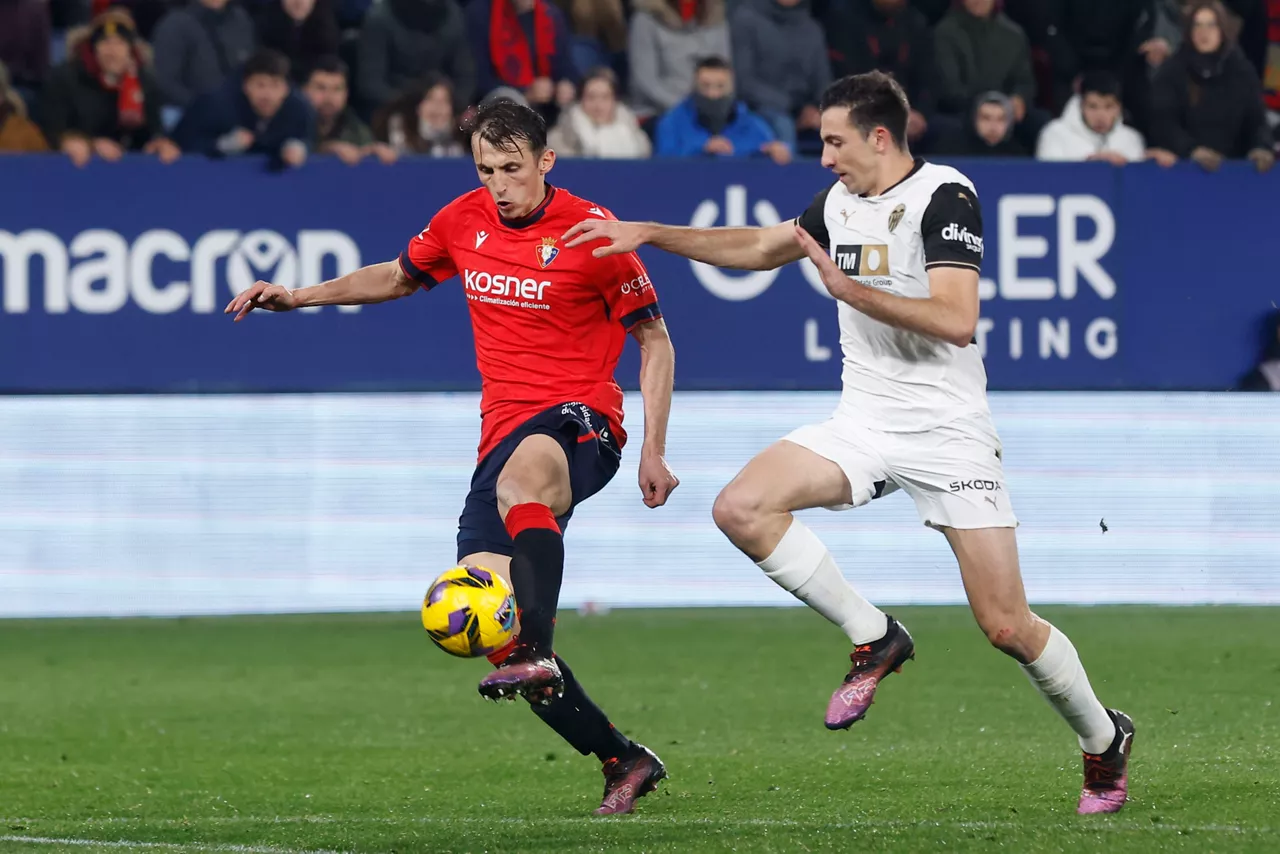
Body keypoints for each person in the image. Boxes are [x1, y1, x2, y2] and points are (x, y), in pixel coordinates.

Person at [564, 70, 1136, 816]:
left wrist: (848, 289)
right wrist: (649, 234)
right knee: (741, 507)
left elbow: (957, 319)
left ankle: (1103, 740)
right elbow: (762, 245)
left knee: (1005, 624)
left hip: (949, 433)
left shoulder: (946, 196)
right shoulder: (837, 203)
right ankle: (875, 637)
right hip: (864, 421)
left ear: (878, 135)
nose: (824, 156)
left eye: (835, 141)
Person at [224, 99, 676, 816]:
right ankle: (622, 759)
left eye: (513, 168)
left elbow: (655, 341)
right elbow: (399, 275)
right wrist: (300, 297)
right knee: (487, 627)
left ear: (545, 162)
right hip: (500, 437)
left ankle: (539, 638)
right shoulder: (461, 219)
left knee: (528, 484)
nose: (500, 184)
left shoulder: (595, 232)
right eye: (486, 169)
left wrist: (653, 448)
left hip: (582, 421)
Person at [1149, 0, 1275, 173]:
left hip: (1234, 171)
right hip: (1183, 169)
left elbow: (1256, 120)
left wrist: (1260, 147)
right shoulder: (1172, 71)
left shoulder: (1241, 71)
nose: (1203, 32)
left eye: (1211, 25)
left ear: (1222, 30)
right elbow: (1164, 123)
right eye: (1197, 25)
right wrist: (1191, 150)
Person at [40, 9, 179, 167]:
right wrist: (88, 143)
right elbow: (51, 128)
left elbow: (154, 131)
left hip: (129, 171)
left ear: (130, 50)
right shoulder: (66, 78)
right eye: (105, 42)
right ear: (94, 48)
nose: (112, 51)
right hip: (76, 167)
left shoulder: (145, 82)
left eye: (120, 43)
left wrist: (159, 144)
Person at [174, 49, 313, 170]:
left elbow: (308, 137)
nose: (267, 95)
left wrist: (298, 147)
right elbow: (182, 142)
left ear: (286, 89)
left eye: (275, 86)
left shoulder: (300, 109)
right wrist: (221, 145)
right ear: (245, 86)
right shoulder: (216, 104)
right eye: (260, 85)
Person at [728, 0, 831, 153]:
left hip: (803, 109)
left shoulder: (812, 28)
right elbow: (744, 81)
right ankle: (789, 176)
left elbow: (823, 80)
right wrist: (791, 107)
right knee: (783, 124)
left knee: (834, 125)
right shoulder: (746, 19)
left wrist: (816, 109)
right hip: (759, 107)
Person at [654, 55, 790, 164]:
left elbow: (772, 150)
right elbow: (664, 168)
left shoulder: (754, 125)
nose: (713, 94)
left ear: (732, 88)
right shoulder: (671, 123)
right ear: (694, 87)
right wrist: (702, 151)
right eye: (705, 86)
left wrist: (777, 151)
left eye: (720, 86)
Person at [150, 0, 256, 109]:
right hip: (187, 112)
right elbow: (165, 82)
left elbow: (253, 69)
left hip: (238, 111)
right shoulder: (175, 25)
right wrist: (203, 108)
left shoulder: (241, 20)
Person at [1036, 71, 1148, 165]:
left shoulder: (1131, 139)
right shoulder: (1055, 134)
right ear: (1081, 106)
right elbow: (1049, 180)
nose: (1101, 115)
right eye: (1092, 107)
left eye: (1108, 107)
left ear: (1119, 107)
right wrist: (1090, 166)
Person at [304, 55, 397, 164]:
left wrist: (372, 152)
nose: (329, 97)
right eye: (321, 88)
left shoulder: (357, 130)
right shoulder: (290, 122)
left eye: (337, 89)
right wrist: (327, 150)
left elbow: (364, 154)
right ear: (304, 90)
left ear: (346, 94)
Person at [547, 66, 650, 158]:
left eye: (605, 97)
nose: (598, 105)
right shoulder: (557, 143)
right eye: (591, 97)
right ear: (580, 100)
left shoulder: (639, 141)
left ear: (615, 101)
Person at [372, 73, 467, 157]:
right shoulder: (399, 133)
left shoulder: (463, 137)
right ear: (417, 106)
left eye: (445, 100)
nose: (438, 107)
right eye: (430, 99)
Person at [935, 90, 1027, 157]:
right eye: (986, 118)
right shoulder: (953, 151)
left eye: (1000, 119)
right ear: (974, 119)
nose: (993, 126)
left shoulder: (1018, 155)